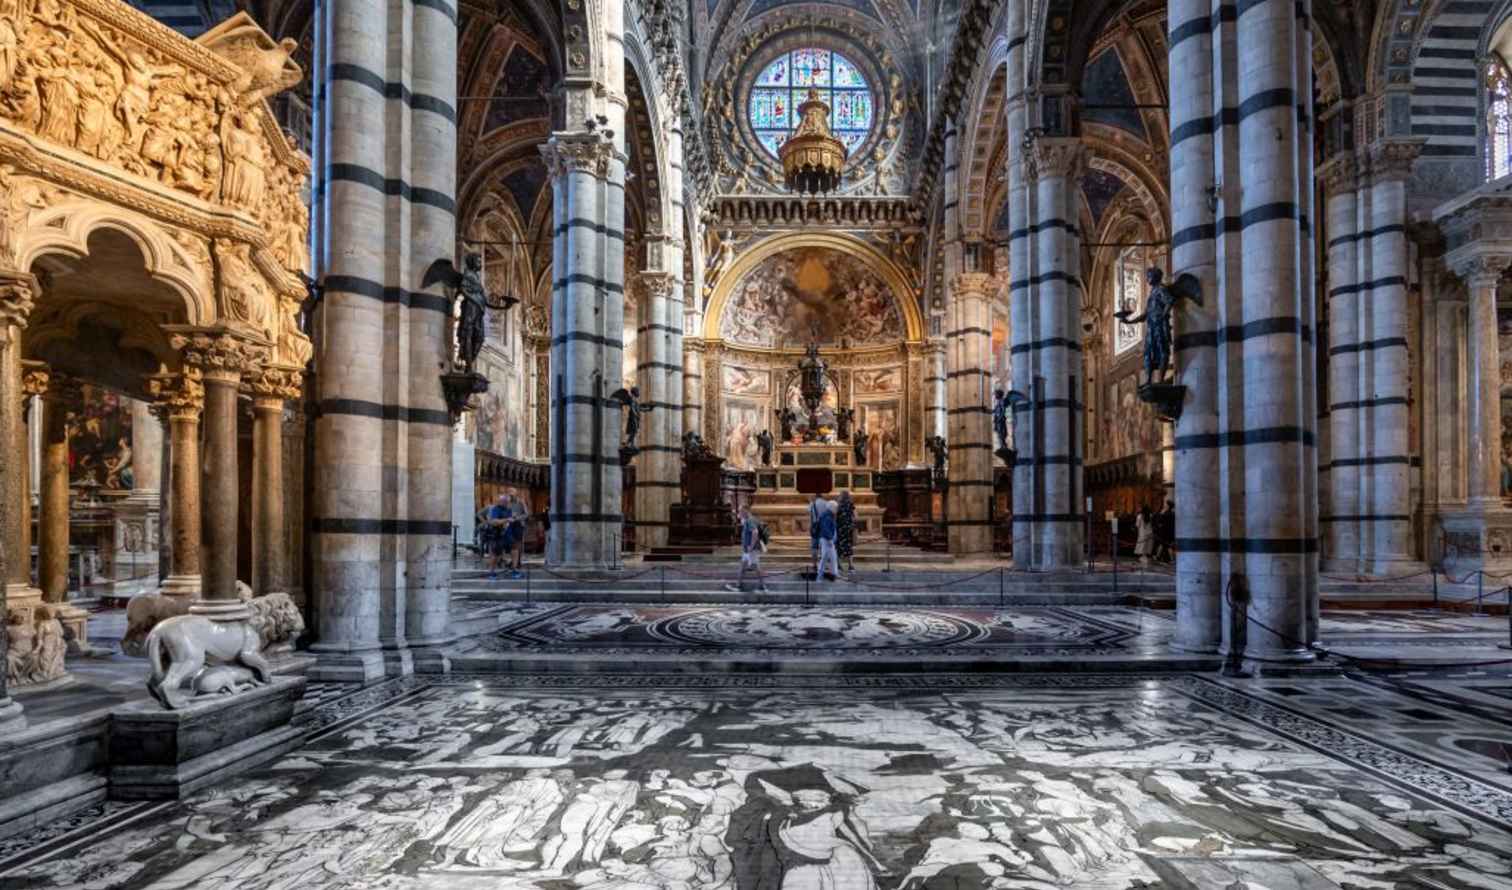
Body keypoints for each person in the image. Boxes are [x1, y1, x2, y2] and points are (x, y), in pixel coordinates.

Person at [725, 507, 769, 594]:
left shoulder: (750, 520)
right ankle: (738, 586)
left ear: (745, 511)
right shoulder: (750, 520)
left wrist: (751, 546)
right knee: (742, 567)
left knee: (756, 567)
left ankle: (763, 587)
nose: (739, 514)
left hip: (751, 549)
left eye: (740, 512)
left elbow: (755, 532)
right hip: (748, 550)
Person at [482, 494, 511, 579]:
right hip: (494, 534)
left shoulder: (508, 509)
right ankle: (491, 572)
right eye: (503, 501)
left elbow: (508, 520)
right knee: (494, 554)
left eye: (506, 501)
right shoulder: (495, 509)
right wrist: (505, 520)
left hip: (503, 534)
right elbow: (494, 521)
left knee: (499, 554)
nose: (505, 503)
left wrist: (507, 522)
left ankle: (493, 570)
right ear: (500, 501)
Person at [815, 500, 840, 582]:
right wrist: (830, 539)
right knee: (825, 557)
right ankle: (820, 576)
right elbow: (825, 529)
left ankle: (834, 574)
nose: (837, 509)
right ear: (832, 508)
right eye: (836, 507)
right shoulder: (827, 516)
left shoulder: (829, 515)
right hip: (827, 540)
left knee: (832, 558)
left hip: (828, 540)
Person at [506, 492, 529, 578]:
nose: (511, 496)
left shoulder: (521, 502)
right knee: (512, 543)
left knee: (518, 543)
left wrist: (517, 518)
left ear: (516, 495)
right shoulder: (508, 503)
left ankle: (518, 561)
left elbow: (527, 514)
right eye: (510, 495)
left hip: (519, 524)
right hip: (510, 524)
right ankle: (513, 561)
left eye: (512, 495)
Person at [835, 491, 856, 575]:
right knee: (849, 546)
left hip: (840, 528)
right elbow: (855, 516)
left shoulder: (838, 505)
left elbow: (835, 516)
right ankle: (851, 566)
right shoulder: (851, 504)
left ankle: (839, 565)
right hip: (848, 528)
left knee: (839, 546)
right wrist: (850, 522)